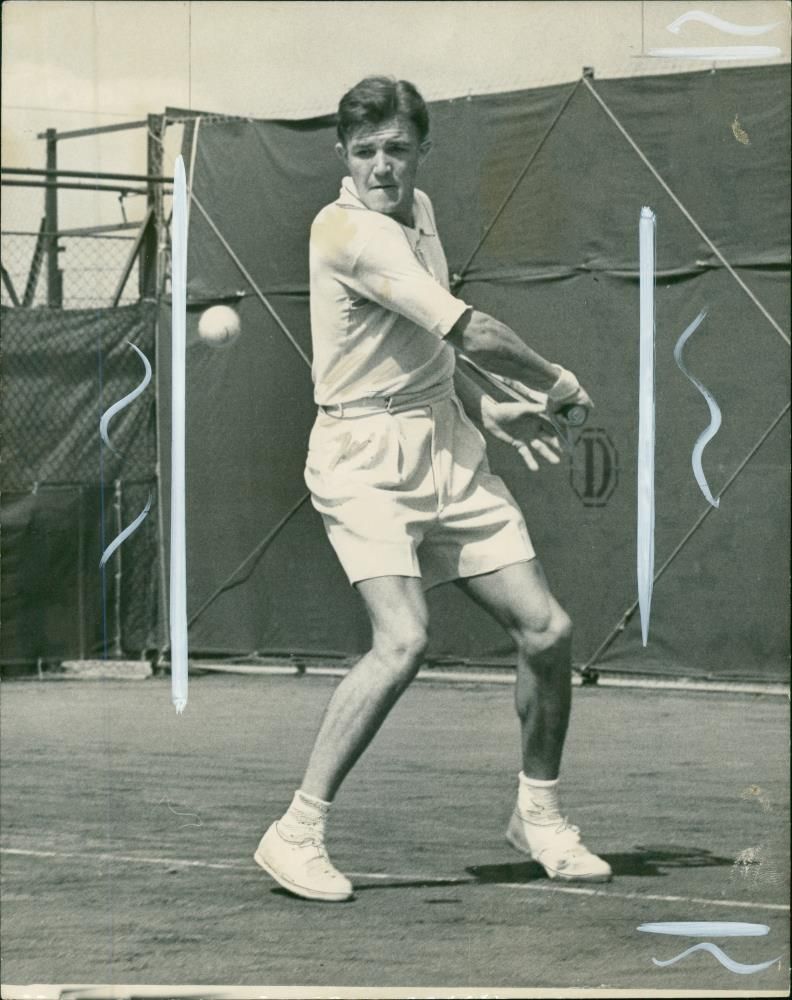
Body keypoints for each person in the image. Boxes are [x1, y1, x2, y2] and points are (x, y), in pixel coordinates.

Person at [255, 76, 611, 901]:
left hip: (444, 444)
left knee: (547, 630)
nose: (384, 165)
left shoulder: (421, 214)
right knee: (404, 639)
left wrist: (487, 404)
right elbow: (471, 325)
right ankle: (295, 832)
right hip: (361, 458)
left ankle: (539, 815)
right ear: (342, 155)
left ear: (419, 150)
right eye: (367, 150)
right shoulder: (347, 231)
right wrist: (556, 381)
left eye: (398, 149)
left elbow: (432, 342)